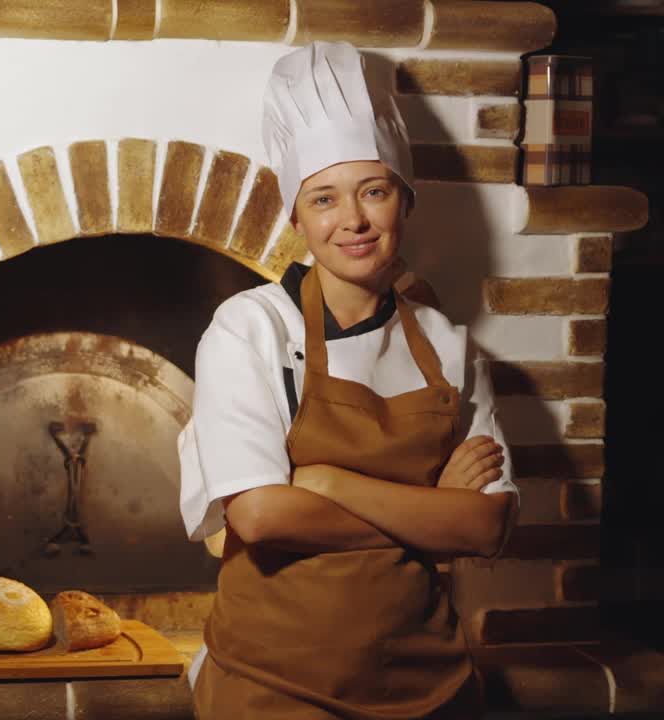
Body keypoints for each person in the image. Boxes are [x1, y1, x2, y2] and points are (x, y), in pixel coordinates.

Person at [178, 41, 520, 719]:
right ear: (296, 217)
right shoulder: (250, 331)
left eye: (374, 190)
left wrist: (327, 483)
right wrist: (429, 511)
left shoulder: (448, 347)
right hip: (271, 686)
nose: (353, 221)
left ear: (405, 199)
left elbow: (485, 525)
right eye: (325, 199)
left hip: (432, 687)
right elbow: (260, 515)